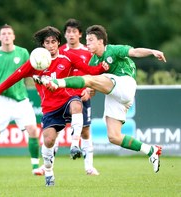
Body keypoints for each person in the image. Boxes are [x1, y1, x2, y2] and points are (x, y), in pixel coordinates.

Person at [0, 26, 106, 186]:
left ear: (58, 43)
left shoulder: (68, 57)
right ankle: (48, 171)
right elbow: (13, 77)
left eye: (54, 42)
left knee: (77, 104)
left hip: (67, 99)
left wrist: (102, 68)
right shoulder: (35, 62)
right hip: (50, 108)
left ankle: (75, 144)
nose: (51, 45)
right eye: (47, 42)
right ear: (43, 45)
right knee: (48, 141)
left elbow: (88, 70)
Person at [43, 25, 166, 173]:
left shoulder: (112, 50)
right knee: (114, 137)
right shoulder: (94, 62)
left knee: (90, 78)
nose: (87, 43)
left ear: (100, 41)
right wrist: (88, 91)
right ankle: (151, 150)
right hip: (115, 95)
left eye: (90, 40)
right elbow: (93, 85)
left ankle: (57, 83)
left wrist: (152, 51)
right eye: (87, 40)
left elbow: (135, 51)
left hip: (125, 84)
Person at [0, 24, 43, 176]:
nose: (7, 36)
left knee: (33, 130)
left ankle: (35, 166)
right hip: (0, 101)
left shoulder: (23, 52)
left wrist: (40, 79)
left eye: (9, 33)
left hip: (20, 99)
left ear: (14, 36)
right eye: (3, 33)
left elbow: (32, 70)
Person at [58, 18, 99, 175]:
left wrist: (89, 89)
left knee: (85, 131)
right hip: (63, 97)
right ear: (65, 34)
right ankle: (47, 165)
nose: (71, 34)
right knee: (55, 130)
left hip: (82, 96)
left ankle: (89, 166)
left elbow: (94, 74)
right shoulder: (60, 51)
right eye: (68, 31)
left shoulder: (88, 53)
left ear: (80, 34)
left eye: (74, 31)